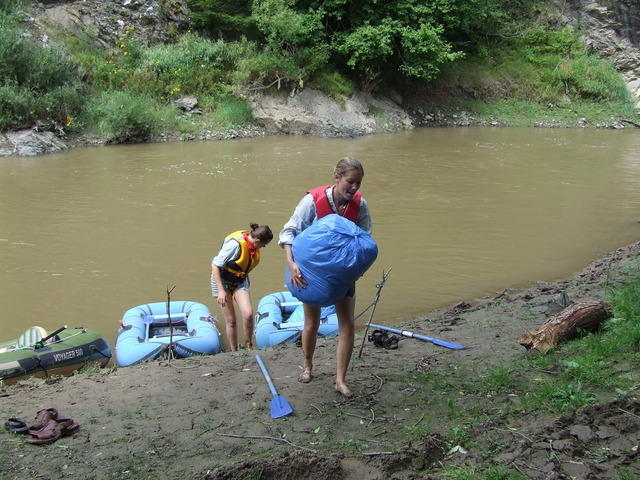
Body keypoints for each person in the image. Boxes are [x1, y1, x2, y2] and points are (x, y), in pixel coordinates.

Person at [279, 157, 372, 398]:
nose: (354, 188)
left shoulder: (360, 206)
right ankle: (308, 366)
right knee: (311, 323)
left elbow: (365, 239)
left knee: (347, 326)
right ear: (337, 177)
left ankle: (340, 380)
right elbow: (288, 232)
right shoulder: (313, 201)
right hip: (312, 274)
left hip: (343, 274)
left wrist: (355, 269)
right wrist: (292, 264)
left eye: (358, 183)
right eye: (350, 182)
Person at [211, 223, 273, 351]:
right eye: (263, 244)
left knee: (248, 314)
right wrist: (221, 291)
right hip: (222, 281)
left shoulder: (253, 244)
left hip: (240, 280)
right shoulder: (235, 245)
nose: (264, 247)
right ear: (257, 240)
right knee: (231, 321)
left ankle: (248, 345)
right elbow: (215, 265)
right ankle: (234, 352)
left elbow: (245, 263)